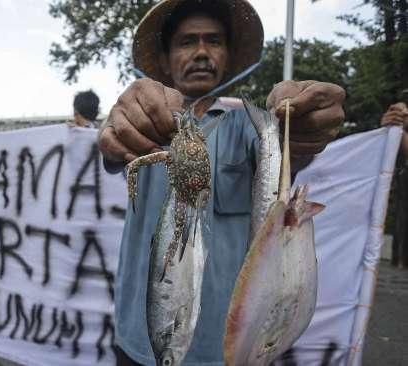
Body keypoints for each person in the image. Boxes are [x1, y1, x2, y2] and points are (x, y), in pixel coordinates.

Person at [97, 1, 345, 365]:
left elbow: (293, 154)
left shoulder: (250, 128)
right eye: (186, 42)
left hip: (230, 351)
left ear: (226, 56)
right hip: (139, 339)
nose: (201, 52)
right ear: (165, 60)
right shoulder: (146, 123)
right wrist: (117, 133)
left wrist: (302, 126)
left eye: (213, 41)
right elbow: (114, 150)